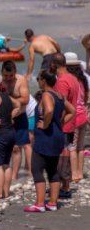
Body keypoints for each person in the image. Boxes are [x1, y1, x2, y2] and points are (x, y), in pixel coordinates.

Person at [24, 69, 74, 212]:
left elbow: (49, 110)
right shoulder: (59, 95)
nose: (38, 81)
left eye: (39, 78)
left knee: (36, 168)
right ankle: (52, 203)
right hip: (57, 135)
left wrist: (46, 124)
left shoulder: (46, 94)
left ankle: (40, 204)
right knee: (52, 169)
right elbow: (72, 111)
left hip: (46, 136)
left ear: (44, 81)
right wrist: (60, 123)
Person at [50, 52, 79, 199]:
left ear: (54, 65)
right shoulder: (73, 78)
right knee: (66, 154)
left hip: (63, 124)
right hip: (71, 123)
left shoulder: (61, 82)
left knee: (62, 156)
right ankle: (65, 186)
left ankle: (64, 187)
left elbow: (61, 105)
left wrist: (55, 123)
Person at [1, 61, 32, 180]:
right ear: (1, 73)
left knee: (17, 148)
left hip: (19, 116)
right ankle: (3, 173)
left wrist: (8, 99)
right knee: (4, 147)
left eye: (11, 75)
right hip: (4, 117)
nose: (8, 78)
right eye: (5, 76)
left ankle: (13, 177)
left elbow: (25, 99)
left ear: (15, 72)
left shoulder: (21, 80)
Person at [64, 52, 89, 182]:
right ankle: (80, 173)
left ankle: (73, 174)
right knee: (80, 147)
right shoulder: (83, 79)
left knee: (72, 147)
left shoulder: (68, 80)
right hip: (83, 115)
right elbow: (85, 99)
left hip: (74, 117)